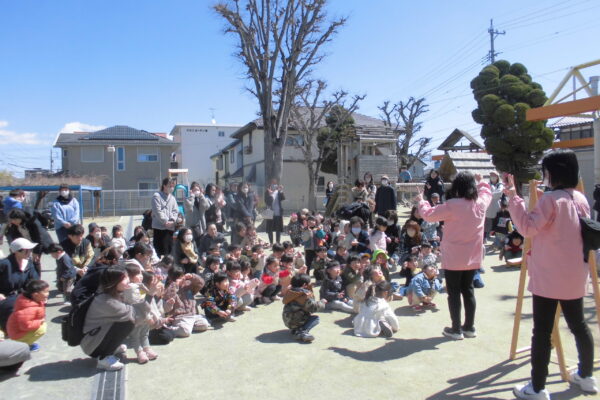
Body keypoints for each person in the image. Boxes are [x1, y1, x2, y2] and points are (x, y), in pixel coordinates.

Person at [507, 150, 597, 398]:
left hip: (548, 277)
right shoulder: (579, 198)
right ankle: (587, 376)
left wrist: (513, 197)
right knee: (579, 326)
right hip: (576, 275)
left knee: (542, 332)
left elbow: (526, 227)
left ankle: (537, 387)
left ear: (552, 173)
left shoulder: (550, 200)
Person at [417, 171, 491, 340]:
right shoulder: (479, 203)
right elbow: (487, 193)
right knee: (469, 290)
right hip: (473, 256)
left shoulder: (452, 205)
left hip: (454, 257)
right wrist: (482, 182)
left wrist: (421, 200)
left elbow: (428, 215)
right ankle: (469, 327)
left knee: (454, 292)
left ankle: (456, 329)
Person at [80, 266, 151, 371]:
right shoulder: (107, 301)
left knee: (127, 321)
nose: (128, 280)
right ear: (114, 282)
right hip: (92, 345)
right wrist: (150, 296)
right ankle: (104, 358)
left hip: (95, 338)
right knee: (128, 323)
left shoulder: (114, 293)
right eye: (124, 278)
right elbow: (136, 316)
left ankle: (111, 348)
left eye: (127, 277)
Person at [0, 238, 40, 334]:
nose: (30, 252)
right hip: (5, 297)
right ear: (17, 252)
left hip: (22, 295)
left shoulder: (29, 263)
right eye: (27, 250)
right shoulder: (4, 264)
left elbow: (34, 281)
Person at [5, 209, 53, 276]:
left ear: (20, 218)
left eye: (15, 220)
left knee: (35, 260)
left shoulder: (32, 221)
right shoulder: (14, 225)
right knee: (23, 260)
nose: (13, 222)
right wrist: (14, 248)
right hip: (26, 244)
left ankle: (36, 279)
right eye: (12, 220)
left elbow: (39, 238)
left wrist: (36, 252)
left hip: (38, 243)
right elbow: (15, 237)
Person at [6, 280, 48, 351]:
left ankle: (25, 342)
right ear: (35, 295)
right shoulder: (28, 308)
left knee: (42, 326)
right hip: (17, 334)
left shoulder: (31, 300)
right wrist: (40, 321)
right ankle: (23, 345)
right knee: (42, 329)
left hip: (17, 330)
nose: (48, 294)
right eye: (46, 292)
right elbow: (26, 326)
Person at [282, 274, 326, 343]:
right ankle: (302, 331)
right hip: (296, 321)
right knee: (315, 318)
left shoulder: (290, 292)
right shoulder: (303, 295)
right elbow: (313, 308)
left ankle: (294, 329)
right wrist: (322, 302)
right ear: (304, 285)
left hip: (287, 321)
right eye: (309, 283)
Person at [151, 178, 178, 257]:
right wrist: (165, 221)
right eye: (170, 185)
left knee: (169, 250)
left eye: (173, 185)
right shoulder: (157, 196)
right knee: (160, 250)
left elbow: (175, 211)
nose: (172, 187)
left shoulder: (172, 198)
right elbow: (157, 211)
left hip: (170, 228)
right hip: (159, 228)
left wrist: (173, 220)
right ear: (164, 186)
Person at [484, 171, 505, 240]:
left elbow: (498, 193)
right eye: (491, 175)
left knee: (497, 223)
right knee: (487, 223)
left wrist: (489, 194)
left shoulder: (500, 185)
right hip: (488, 206)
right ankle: (485, 237)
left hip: (497, 206)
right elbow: (484, 192)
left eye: (494, 175)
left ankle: (497, 239)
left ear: (497, 177)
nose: (492, 177)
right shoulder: (487, 184)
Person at [265, 179, 286, 246]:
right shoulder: (267, 192)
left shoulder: (278, 192)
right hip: (270, 213)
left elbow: (283, 198)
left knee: (278, 228)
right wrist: (270, 195)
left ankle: (277, 242)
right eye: (272, 184)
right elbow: (267, 202)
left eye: (275, 184)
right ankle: (271, 243)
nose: (274, 185)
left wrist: (281, 191)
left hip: (278, 213)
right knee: (269, 229)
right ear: (270, 185)